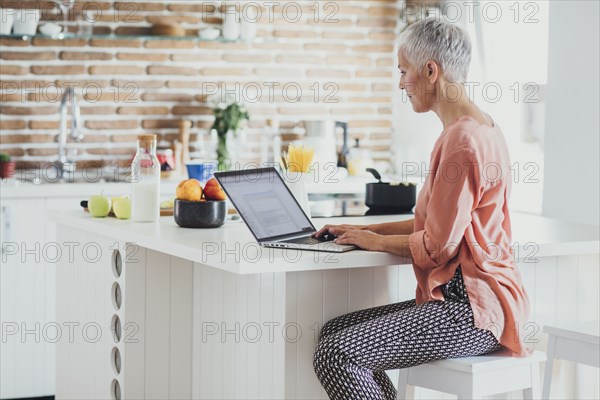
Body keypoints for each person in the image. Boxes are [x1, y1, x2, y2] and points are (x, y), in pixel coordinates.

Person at [311, 18, 530, 400]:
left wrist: (373, 242)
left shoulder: (461, 141)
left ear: (431, 71)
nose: (400, 84)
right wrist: (365, 232)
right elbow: (431, 225)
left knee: (338, 353)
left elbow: (437, 247)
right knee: (333, 333)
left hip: (470, 311)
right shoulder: (482, 127)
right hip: (474, 301)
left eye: (403, 71)